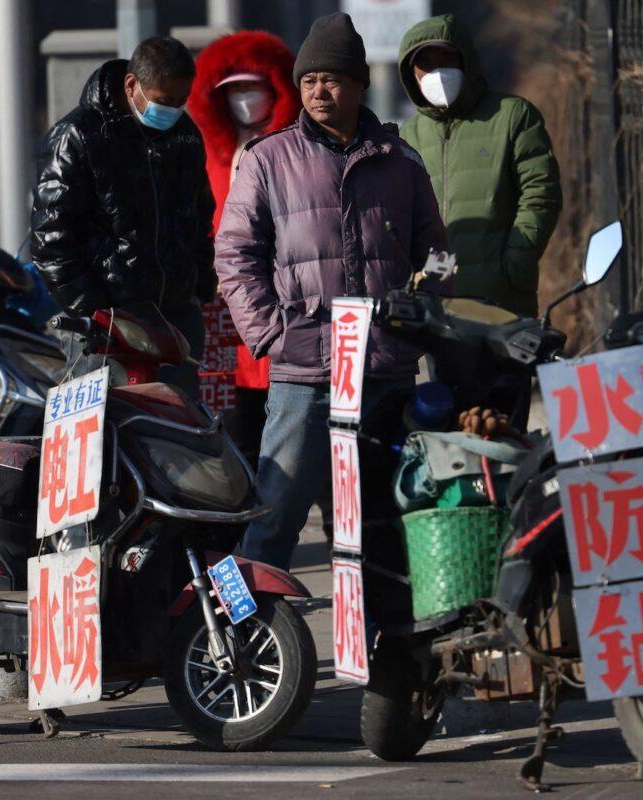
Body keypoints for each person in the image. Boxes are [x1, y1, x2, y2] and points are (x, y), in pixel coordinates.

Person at [214, 12, 447, 570]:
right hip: (305, 371)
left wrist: (419, 318)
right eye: (309, 80)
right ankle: (237, 643)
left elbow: (439, 255)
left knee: (386, 519)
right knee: (273, 517)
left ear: (360, 84)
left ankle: (389, 650)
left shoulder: (401, 162)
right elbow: (234, 255)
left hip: (383, 370)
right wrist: (271, 333)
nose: (320, 91)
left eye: (333, 79)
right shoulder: (267, 161)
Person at [30, 36, 215, 393]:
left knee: (176, 435)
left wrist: (199, 282)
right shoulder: (79, 136)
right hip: (107, 324)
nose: (174, 110)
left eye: (181, 101)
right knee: (103, 437)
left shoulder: (185, 137)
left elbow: (199, 215)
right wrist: (94, 312)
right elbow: (51, 239)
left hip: (174, 317)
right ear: (132, 85)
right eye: (165, 101)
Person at [397, 14, 562, 319]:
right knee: (446, 369)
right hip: (436, 304)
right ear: (412, 73)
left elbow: (541, 193)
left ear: (467, 61)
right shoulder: (410, 134)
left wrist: (516, 261)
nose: (438, 72)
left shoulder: (513, 116)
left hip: (501, 300)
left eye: (447, 58)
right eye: (427, 63)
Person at [188, 30, 300, 466]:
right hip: (219, 308)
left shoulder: (295, 151)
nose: (244, 99)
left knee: (286, 413)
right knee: (228, 423)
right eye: (233, 91)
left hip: (277, 300)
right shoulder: (209, 153)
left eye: (252, 88)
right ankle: (238, 523)